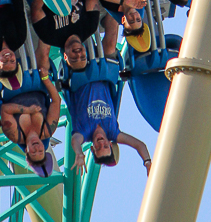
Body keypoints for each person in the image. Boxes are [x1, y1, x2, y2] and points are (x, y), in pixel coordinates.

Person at [63, 38, 152, 175]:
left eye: (98, 148)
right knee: (110, 45)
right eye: (105, 146)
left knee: (78, 47)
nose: (101, 143)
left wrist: (79, 154)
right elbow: (140, 145)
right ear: (110, 144)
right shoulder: (113, 132)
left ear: (93, 149)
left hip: (81, 72)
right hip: (103, 69)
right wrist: (147, 162)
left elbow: (75, 141)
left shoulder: (83, 132)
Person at [0, 72, 61, 177]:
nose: (36, 149)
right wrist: (45, 78)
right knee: (44, 58)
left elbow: (5, 110)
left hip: (11, 86)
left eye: (33, 153)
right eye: (40, 151)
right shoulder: (48, 129)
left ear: (27, 150)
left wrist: (27, 110)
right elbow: (56, 101)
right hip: (37, 83)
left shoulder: (15, 135)